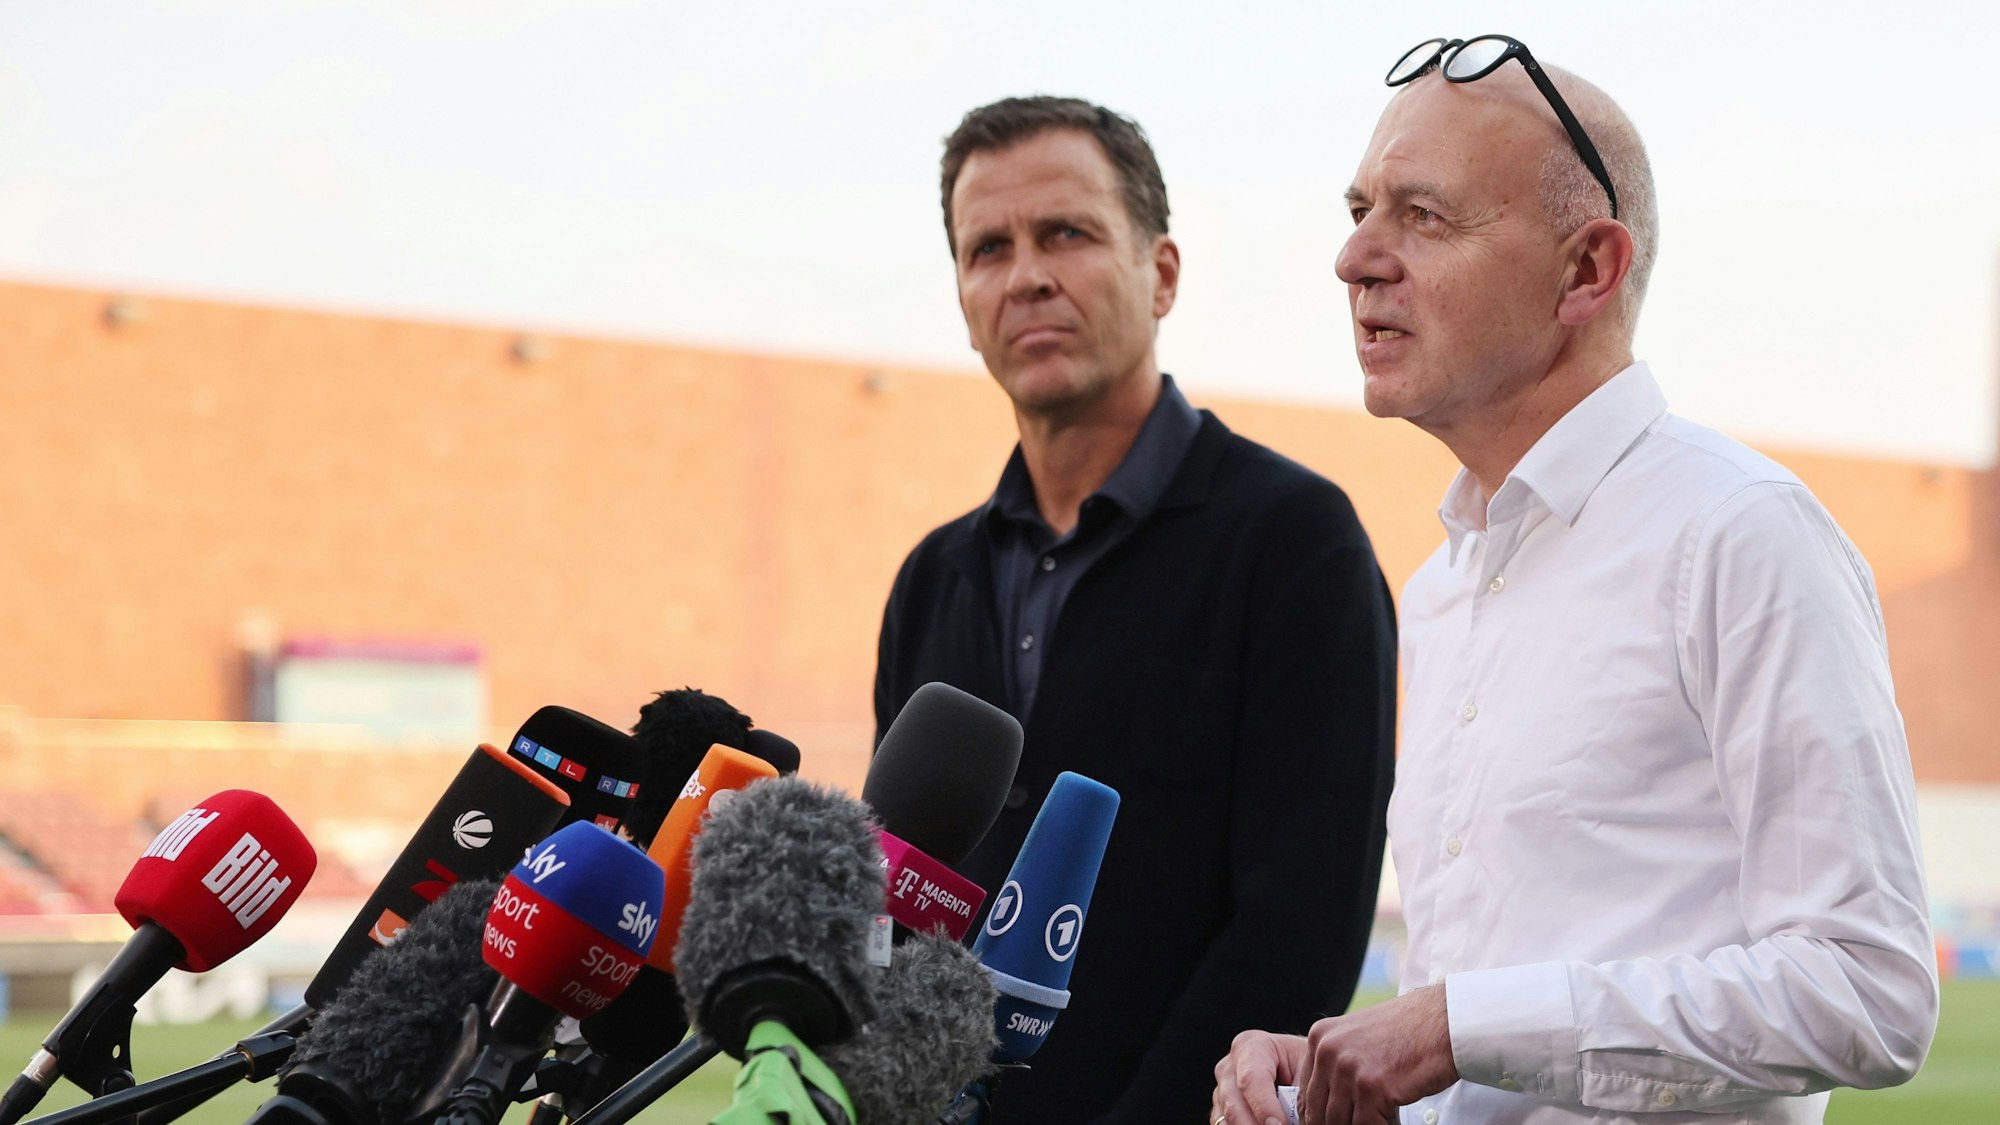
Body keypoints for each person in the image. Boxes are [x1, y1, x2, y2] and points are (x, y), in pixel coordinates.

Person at [1212, 37, 1938, 1125]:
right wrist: (1331, 1070)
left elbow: (1867, 991)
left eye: (1422, 214)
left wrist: (1455, 1028)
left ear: (1587, 270)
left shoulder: (1741, 533)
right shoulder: (1442, 587)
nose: (1353, 258)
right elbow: (1481, 1035)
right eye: (1359, 210)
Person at [874, 95, 1398, 1122]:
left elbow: (1300, 932)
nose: (1027, 275)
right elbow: (898, 900)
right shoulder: (931, 578)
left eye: (1065, 234)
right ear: (964, 300)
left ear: (1160, 274)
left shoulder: (1295, 543)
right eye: (988, 249)